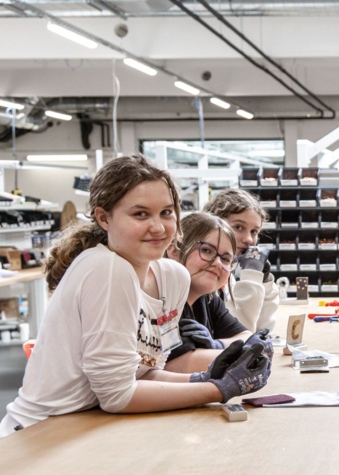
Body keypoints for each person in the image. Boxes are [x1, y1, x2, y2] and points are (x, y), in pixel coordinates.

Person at [0, 154, 271, 437]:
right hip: (40, 431)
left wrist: (204, 376)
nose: (158, 227)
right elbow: (117, 396)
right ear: (104, 218)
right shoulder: (106, 268)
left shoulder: (172, 277)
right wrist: (219, 388)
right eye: (140, 214)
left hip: (89, 425)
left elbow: (144, 373)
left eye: (166, 212)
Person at [164, 211, 270, 374]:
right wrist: (246, 354)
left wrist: (217, 345)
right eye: (207, 250)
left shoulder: (207, 299)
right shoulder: (164, 299)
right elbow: (178, 365)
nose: (218, 263)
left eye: (226, 259)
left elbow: (246, 336)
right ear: (174, 251)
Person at [202, 188, 279, 333]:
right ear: (214, 223)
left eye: (254, 231)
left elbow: (262, 328)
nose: (248, 239)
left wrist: (265, 282)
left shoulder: (228, 274)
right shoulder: (204, 272)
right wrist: (251, 277)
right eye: (238, 227)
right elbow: (238, 331)